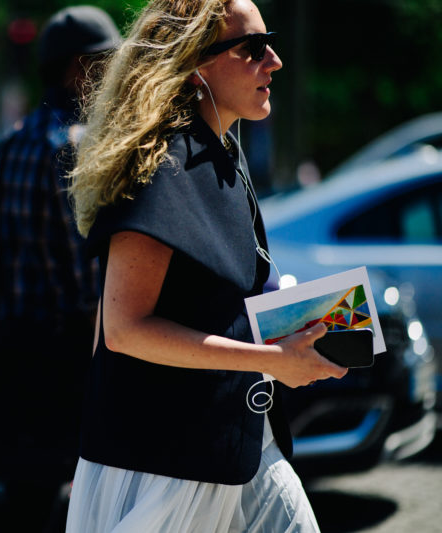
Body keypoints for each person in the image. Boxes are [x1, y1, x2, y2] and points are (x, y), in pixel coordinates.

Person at [64, 0, 348, 531]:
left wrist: (303, 325)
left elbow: (215, 299)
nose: (275, 61)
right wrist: (270, 360)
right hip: (166, 462)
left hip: (234, 437)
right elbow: (122, 329)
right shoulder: (165, 162)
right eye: (255, 48)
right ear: (197, 64)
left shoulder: (220, 152)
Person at [0, 5, 121, 528]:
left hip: (13, 340)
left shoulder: (13, 140)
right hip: (63, 349)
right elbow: (84, 262)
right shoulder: (75, 145)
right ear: (77, 69)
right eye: (104, 63)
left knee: (26, 493)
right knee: (87, 493)